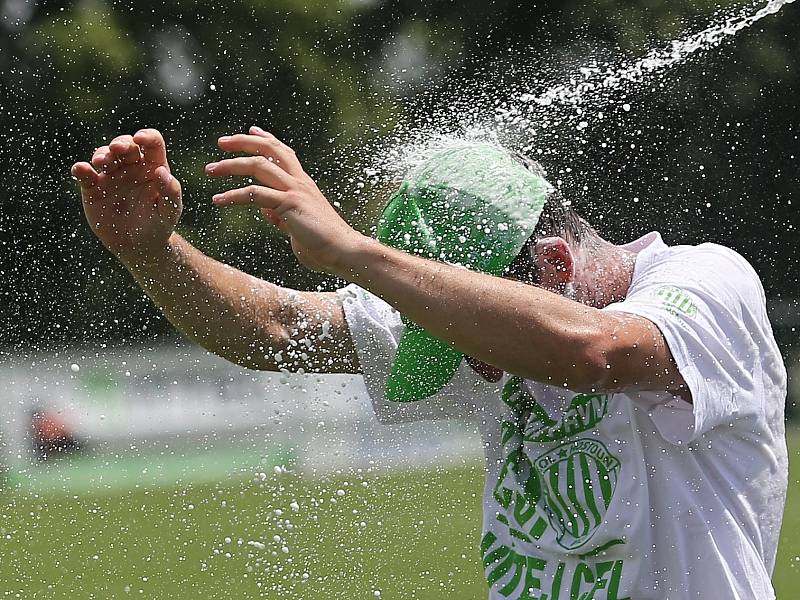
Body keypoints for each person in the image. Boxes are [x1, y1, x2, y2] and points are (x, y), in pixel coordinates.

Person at [71, 127, 788, 599]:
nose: (467, 363)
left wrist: (356, 253)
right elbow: (276, 328)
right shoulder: (474, 323)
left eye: (463, 334)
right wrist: (150, 252)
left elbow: (596, 351)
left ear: (556, 263)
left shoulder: (708, 283)